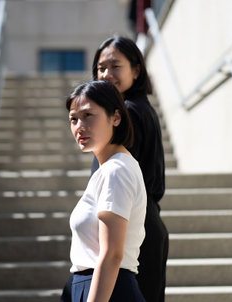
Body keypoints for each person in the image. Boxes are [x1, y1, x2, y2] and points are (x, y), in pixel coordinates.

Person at [60, 36, 168, 302]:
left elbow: (112, 255)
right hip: (137, 222)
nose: (106, 74)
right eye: (100, 68)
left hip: (128, 226)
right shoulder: (141, 108)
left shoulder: (130, 117)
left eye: (114, 66)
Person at [66, 80, 147, 302]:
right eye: (74, 119)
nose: (79, 126)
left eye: (88, 115)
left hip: (108, 290)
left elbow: (112, 254)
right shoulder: (107, 170)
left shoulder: (116, 171)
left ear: (116, 117)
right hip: (97, 286)